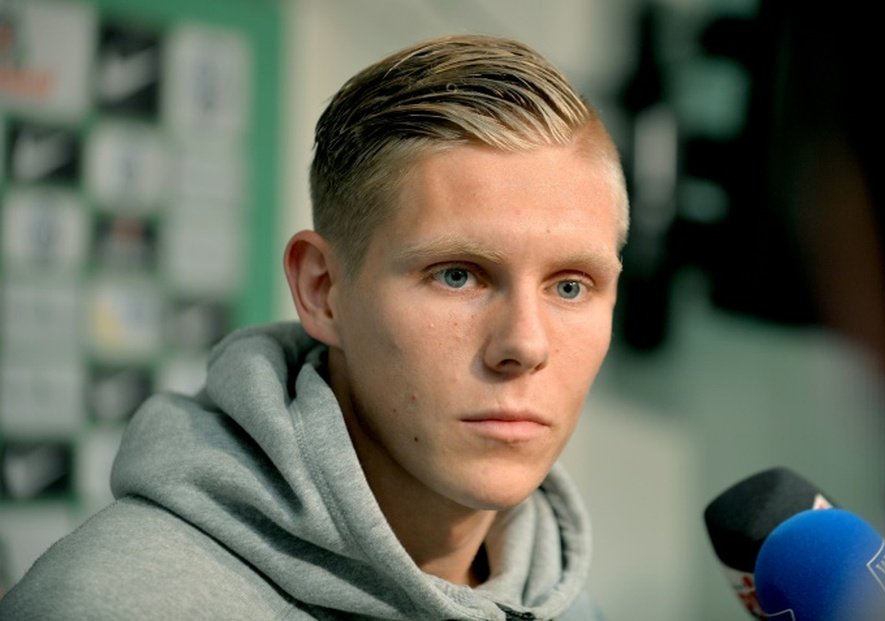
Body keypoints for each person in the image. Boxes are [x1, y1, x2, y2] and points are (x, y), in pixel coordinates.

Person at [0, 34, 628, 620]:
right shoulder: (117, 605)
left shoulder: (565, 602)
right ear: (322, 290)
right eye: (457, 276)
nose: (523, 344)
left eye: (570, 286)